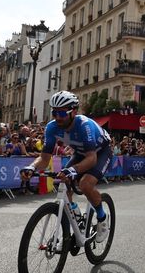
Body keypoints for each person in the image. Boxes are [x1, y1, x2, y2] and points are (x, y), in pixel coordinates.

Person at [24, 91, 113, 248]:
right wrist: (31, 167)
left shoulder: (84, 125)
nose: (58, 117)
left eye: (62, 113)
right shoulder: (52, 128)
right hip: (80, 153)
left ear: (74, 112)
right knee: (62, 183)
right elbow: (44, 159)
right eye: (54, 112)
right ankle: (76, 215)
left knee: (85, 184)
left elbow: (92, 159)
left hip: (100, 152)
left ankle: (102, 218)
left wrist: (73, 170)